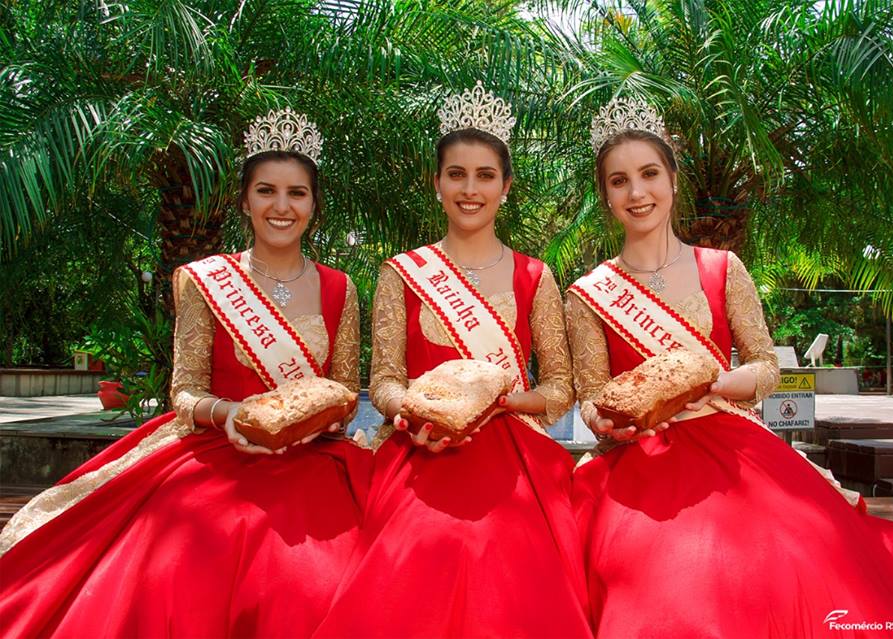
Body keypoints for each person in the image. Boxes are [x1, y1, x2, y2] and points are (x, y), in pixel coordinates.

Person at [565, 97, 893, 637]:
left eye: (649, 173)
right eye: (618, 180)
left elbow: (766, 366)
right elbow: (590, 396)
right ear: (605, 195)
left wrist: (716, 383)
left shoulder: (722, 268)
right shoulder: (587, 295)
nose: (637, 192)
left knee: (797, 557)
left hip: (732, 443)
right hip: (637, 458)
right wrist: (607, 418)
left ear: (673, 180)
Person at [0, 108, 372, 638]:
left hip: (313, 458)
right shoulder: (207, 280)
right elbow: (185, 391)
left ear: (314, 204)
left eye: (297, 193)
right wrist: (232, 416)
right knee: (179, 558)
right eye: (267, 191)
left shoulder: (341, 289)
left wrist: (315, 425)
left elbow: (341, 392)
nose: (282, 206)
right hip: (218, 447)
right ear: (245, 201)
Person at [314, 83, 591, 638]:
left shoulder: (534, 277)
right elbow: (384, 381)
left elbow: (562, 387)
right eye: (457, 174)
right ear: (436, 183)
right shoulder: (401, 273)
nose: (471, 189)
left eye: (485, 175)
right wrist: (416, 415)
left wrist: (503, 401)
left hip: (516, 454)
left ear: (506, 187)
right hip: (419, 449)